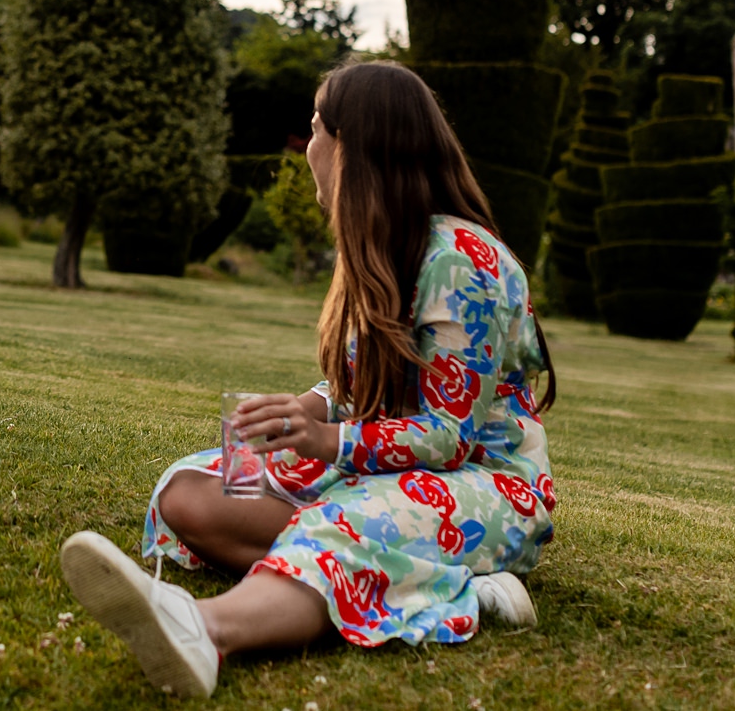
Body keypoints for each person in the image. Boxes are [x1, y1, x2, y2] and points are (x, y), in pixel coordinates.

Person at [59, 60, 557, 697]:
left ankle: (206, 629)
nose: (307, 147)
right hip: (385, 470)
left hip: (481, 485)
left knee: (337, 527)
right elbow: (363, 386)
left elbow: (448, 436)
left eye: (318, 129)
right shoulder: (376, 244)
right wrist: (311, 407)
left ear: (357, 148)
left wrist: (331, 444)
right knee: (190, 492)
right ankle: (450, 584)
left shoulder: (463, 260)